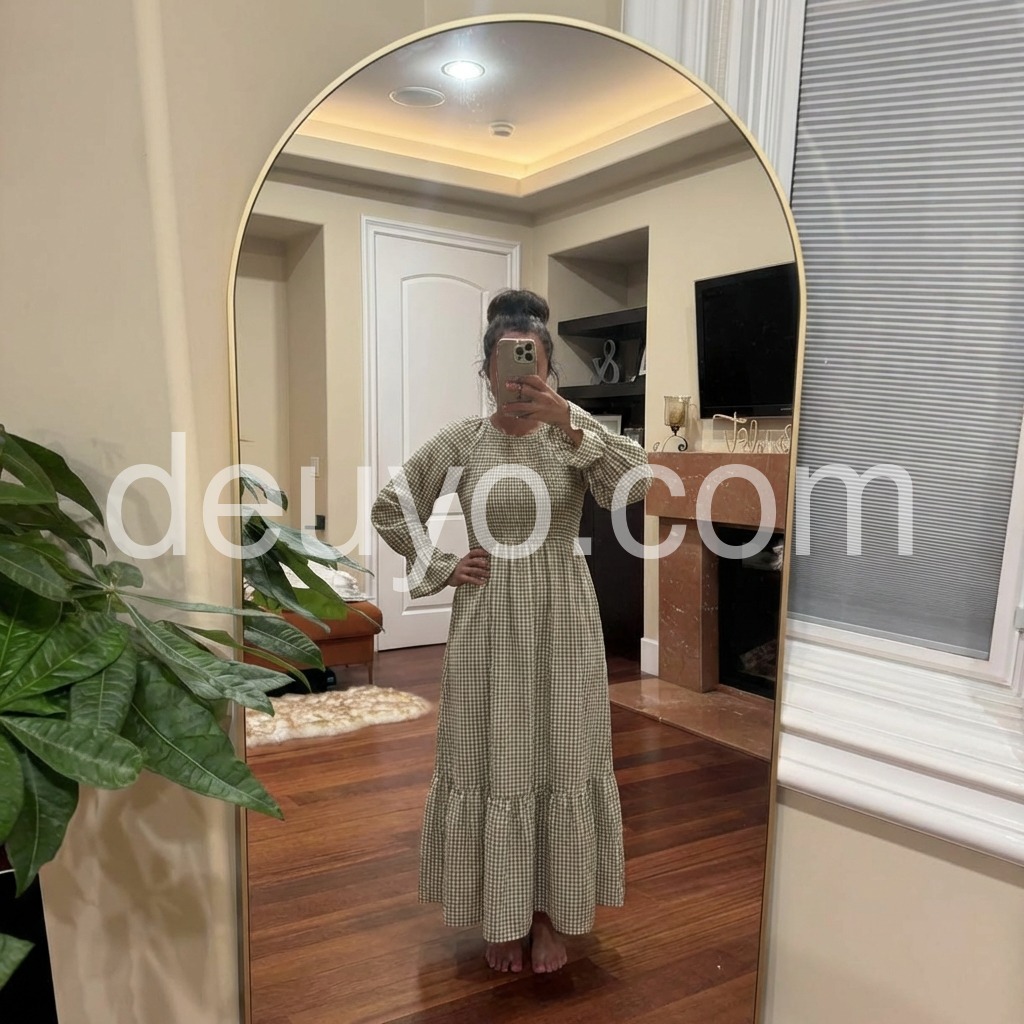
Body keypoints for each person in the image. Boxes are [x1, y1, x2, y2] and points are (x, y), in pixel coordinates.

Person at [370, 289, 651, 974]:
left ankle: (549, 915)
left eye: (534, 366)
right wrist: (443, 564)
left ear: (549, 369)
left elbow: (637, 484)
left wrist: (571, 423)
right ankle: (501, 914)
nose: (521, 379)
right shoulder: (465, 442)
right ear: (488, 371)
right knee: (491, 752)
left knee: (561, 751)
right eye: (507, 365)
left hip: (563, 615)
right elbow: (391, 506)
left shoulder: (572, 435)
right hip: (489, 616)